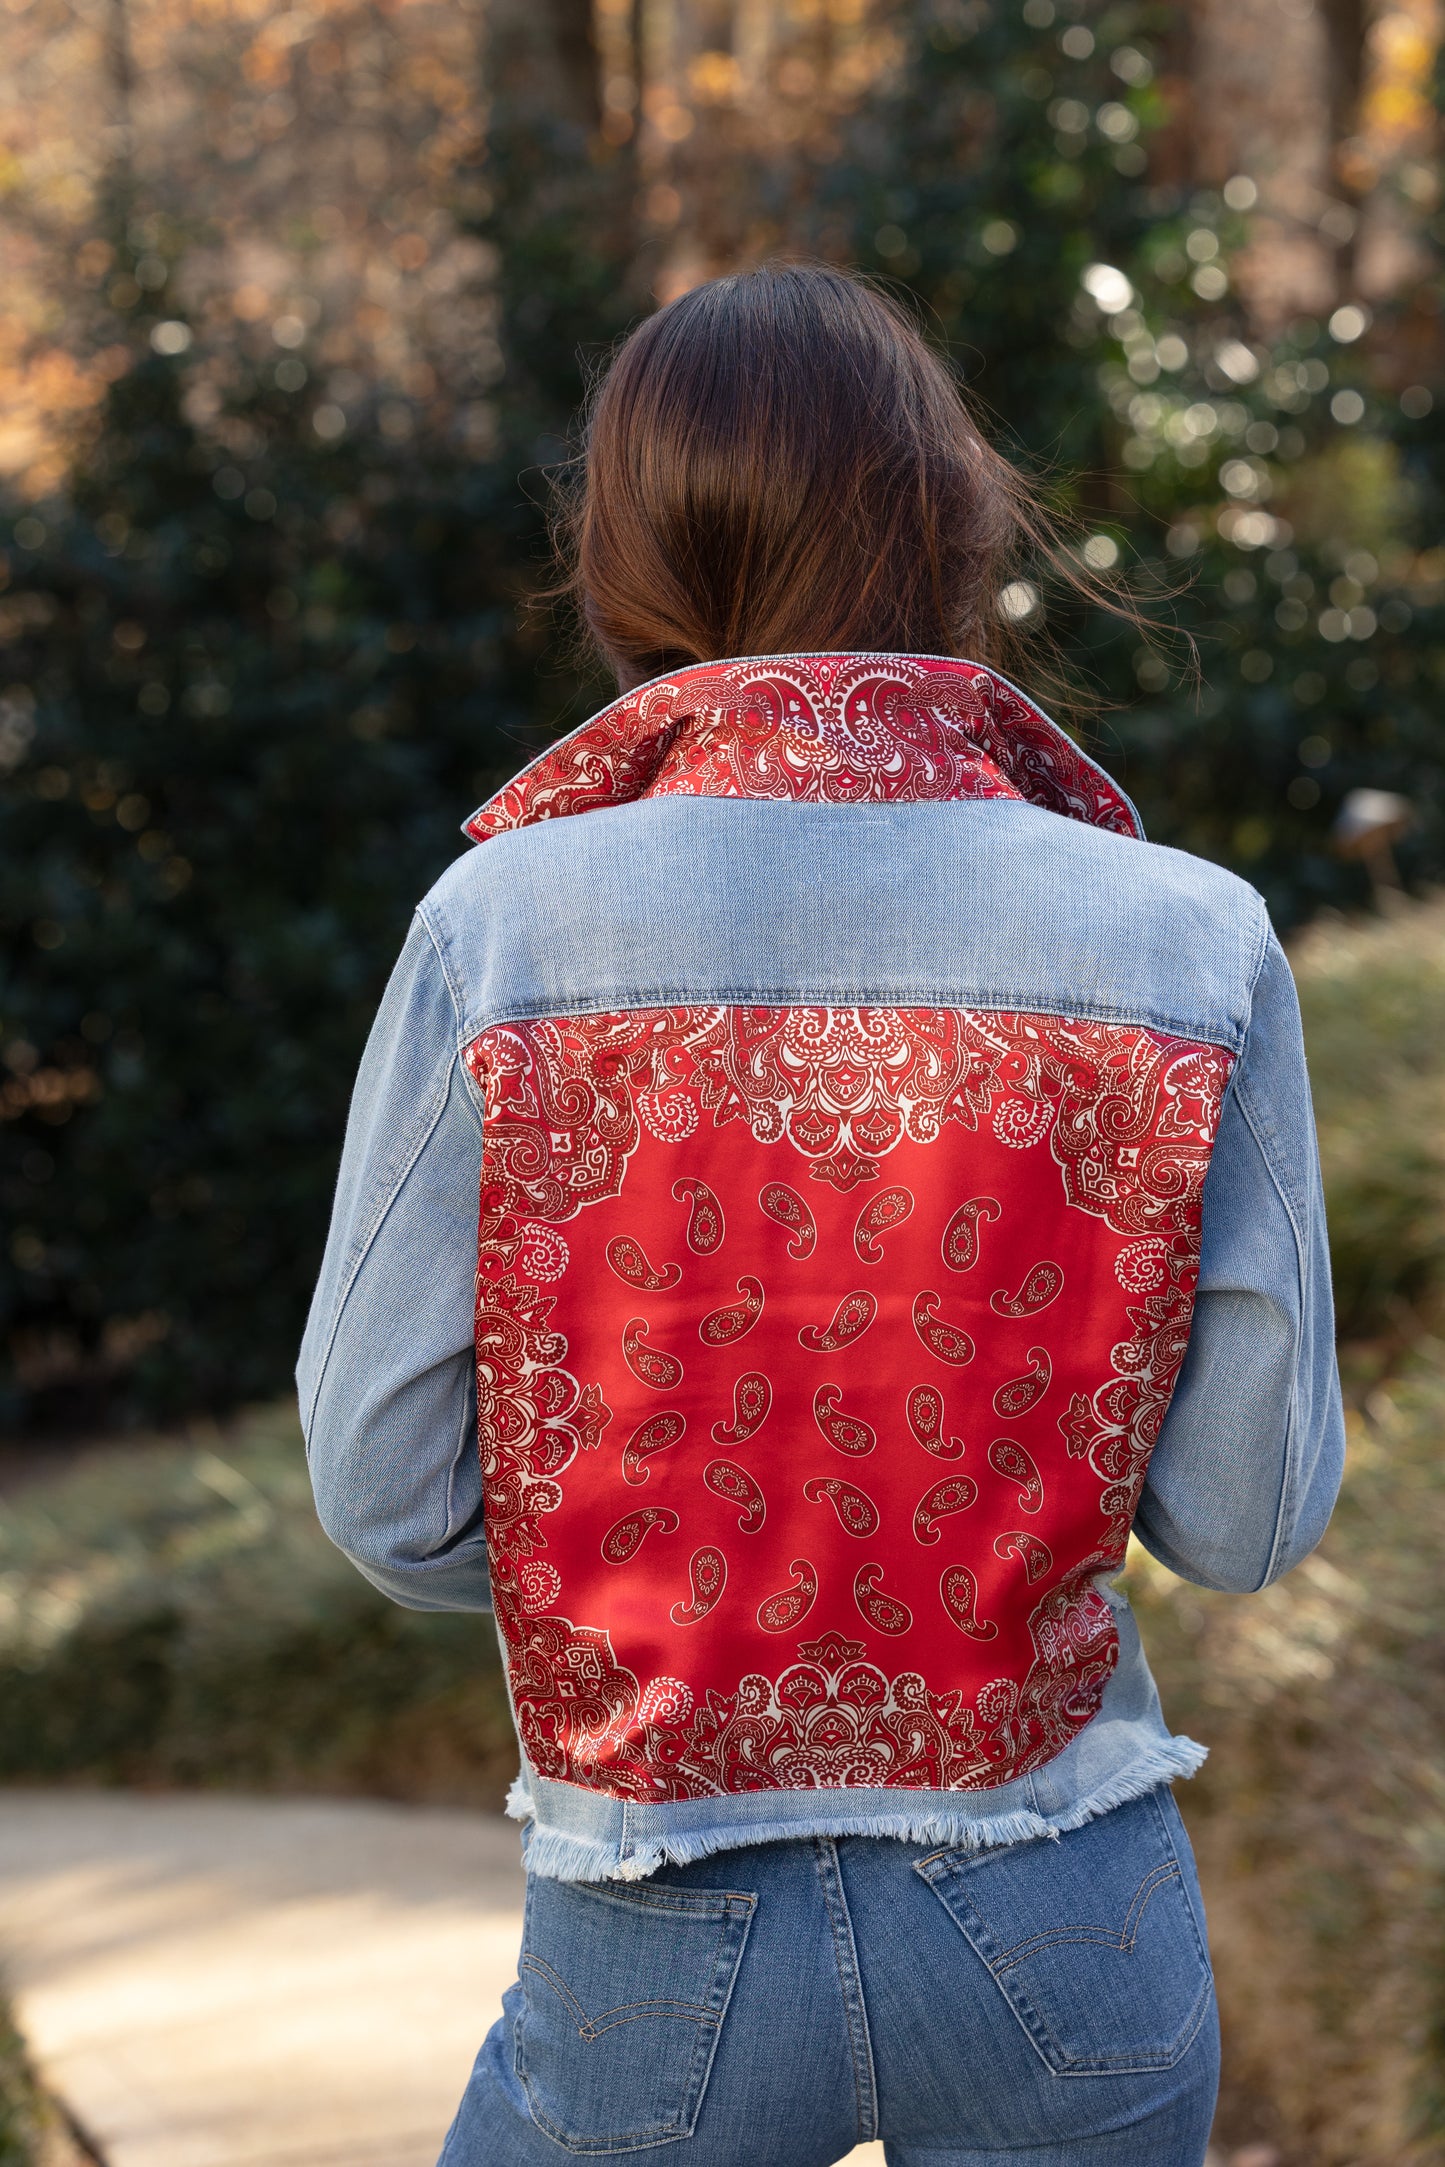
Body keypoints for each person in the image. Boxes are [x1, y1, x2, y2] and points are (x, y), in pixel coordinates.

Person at [298, 263, 1343, 2167]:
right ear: (955, 517)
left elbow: (388, 1495)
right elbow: (1245, 1521)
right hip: (1065, 1913)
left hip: (657, 1912)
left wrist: (649, 1594)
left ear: (622, 547)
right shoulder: (1187, 935)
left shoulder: (508, 931)